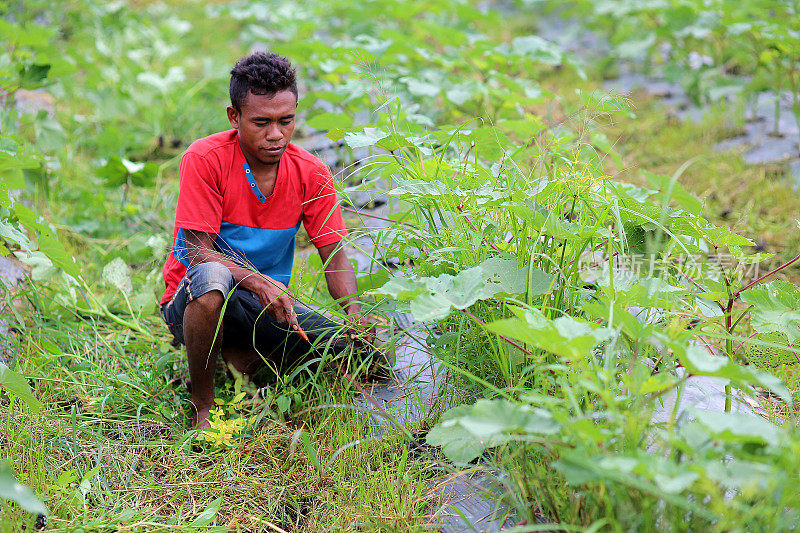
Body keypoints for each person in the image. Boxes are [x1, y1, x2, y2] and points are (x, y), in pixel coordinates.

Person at [159, 52, 372, 429]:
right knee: (212, 282)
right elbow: (197, 252)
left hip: (265, 305)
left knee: (348, 349)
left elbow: (335, 254)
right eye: (262, 122)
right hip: (195, 297)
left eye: (285, 121)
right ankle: (203, 405)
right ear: (234, 117)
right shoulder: (205, 159)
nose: (275, 134)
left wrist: (354, 316)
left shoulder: (311, 172)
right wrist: (258, 280)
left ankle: (240, 350)